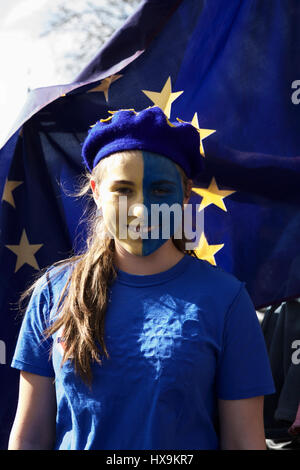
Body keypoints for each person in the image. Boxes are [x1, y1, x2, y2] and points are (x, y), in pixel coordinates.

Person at [8, 106, 275, 450]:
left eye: (161, 190)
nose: (141, 209)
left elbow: (243, 442)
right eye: (123, 190)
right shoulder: (54, 293)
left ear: (186, 194)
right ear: (96, 191)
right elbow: (29, 437)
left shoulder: (226, 301)